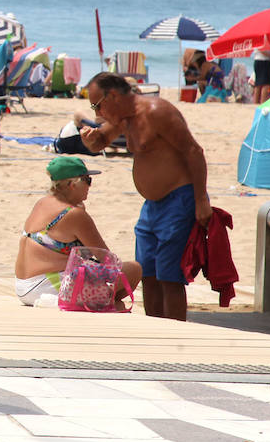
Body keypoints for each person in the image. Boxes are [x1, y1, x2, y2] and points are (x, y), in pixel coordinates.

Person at [80, 72, 211, 321]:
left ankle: (175, 332)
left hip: (178, 200)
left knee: (169, 276)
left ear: (114, 96)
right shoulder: (124, 119)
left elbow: (194, 151)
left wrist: (201, 199)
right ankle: (155, 329)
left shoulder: (156, 111)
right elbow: (99, 144)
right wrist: (90, 139)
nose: (97, 113)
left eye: (97, 105)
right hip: (151, 206)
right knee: (146, 273)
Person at [15, 156, 141, 309]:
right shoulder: (74, 214)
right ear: (72, 184)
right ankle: (108, 303)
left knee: (113, 292)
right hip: (48, 287)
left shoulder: (43, 202)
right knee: (133, 269)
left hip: (23, 286)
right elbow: (106, 259)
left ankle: (107, 303)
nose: (90, 186)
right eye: (87, 180)